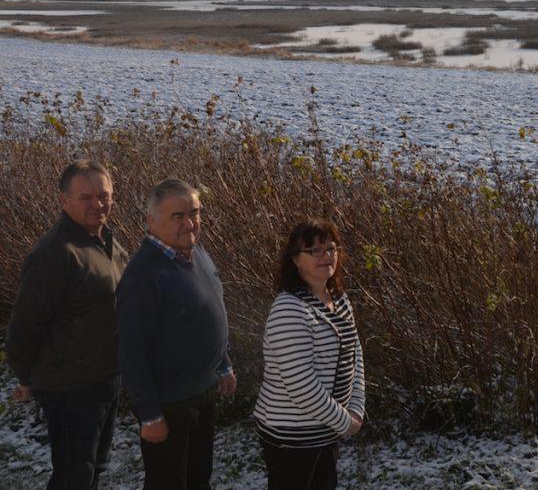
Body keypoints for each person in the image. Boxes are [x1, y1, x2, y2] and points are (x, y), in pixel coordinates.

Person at [5, 159, 128, 490]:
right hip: (71, 387)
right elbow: (24, 327)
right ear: (63, 200)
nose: (97, 204)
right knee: (74, 477)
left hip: (105, 379)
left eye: (103, 195)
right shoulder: (56, 254)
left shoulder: (107, 241)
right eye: (86, 197)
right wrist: (28, 377)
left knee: (94, 469)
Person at [116, 178, 236, 490]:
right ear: (151, 221)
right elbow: (131, 351)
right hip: (169, 403)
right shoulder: (142, 276)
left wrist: (222, 364)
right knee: (168, 483)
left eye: (194, 212)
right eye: (178, 216)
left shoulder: (197, 254)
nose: (190, 223)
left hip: (202, 392)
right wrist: (150, 414)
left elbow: (207, 312)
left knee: (198, 478)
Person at [253, 220, 365, 490]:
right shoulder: (289, 309)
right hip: (293, 435)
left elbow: (355, 353)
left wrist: (357, 407)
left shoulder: (338, 298)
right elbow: (301, 385)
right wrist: (343, 422)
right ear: (295, 260)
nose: (326, 256)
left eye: (330, 248)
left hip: (326, 429)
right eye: (314, 251)